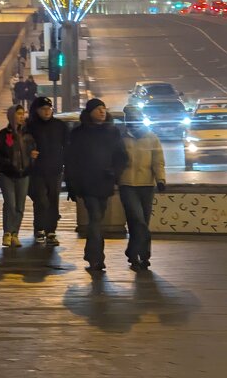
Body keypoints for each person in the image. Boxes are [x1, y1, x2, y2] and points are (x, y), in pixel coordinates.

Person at [65, 98, 128, 272]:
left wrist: (114, 172)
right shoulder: (79, 133)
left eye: (103, 108)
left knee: (98, 218)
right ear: (90, 112)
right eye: (98, 108)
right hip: (86, 183)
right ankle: (96, 258)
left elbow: (121, 156)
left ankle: (91, 254)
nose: (102, 111)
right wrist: (71, 184)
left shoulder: (112, 132)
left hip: (105, 182)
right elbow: (71, 160)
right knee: (95, 217)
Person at [119, 105, 166, 270]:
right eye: (130, 118)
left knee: (142, 222)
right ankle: (142, 254)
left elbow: (157, 161)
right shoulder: (121, 137)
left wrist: (160, 179)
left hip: (146, 185)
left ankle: (135, 254)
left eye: (136, 117)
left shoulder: (151, 137)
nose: (134, 121)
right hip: (127, 185)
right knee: (138, 220)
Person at [0, 105, 38, 248]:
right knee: (10, 204)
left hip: (24, 174)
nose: (22, 116)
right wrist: (7, 163)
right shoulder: (3, 135)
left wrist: (32, 158)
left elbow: (33, 151)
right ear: (12, 116)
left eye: (23, 114)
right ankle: (7, 233)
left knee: (20, 206)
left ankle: (14, 233)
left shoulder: (27, 135)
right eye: (18, 114)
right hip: (7, 174)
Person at [25, 96, 69, 245]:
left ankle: (51, 231)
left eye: (49, 109)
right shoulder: (30, 126)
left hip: (55, 169)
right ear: (37, 110)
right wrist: (29, 152)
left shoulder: (59, 125)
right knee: (41, 201)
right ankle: (39, 229)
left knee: (53, 200)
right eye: (43, 109)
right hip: (36, 170)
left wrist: (65, 162)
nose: (47, 112)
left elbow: (67, 144)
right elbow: (21, 144)